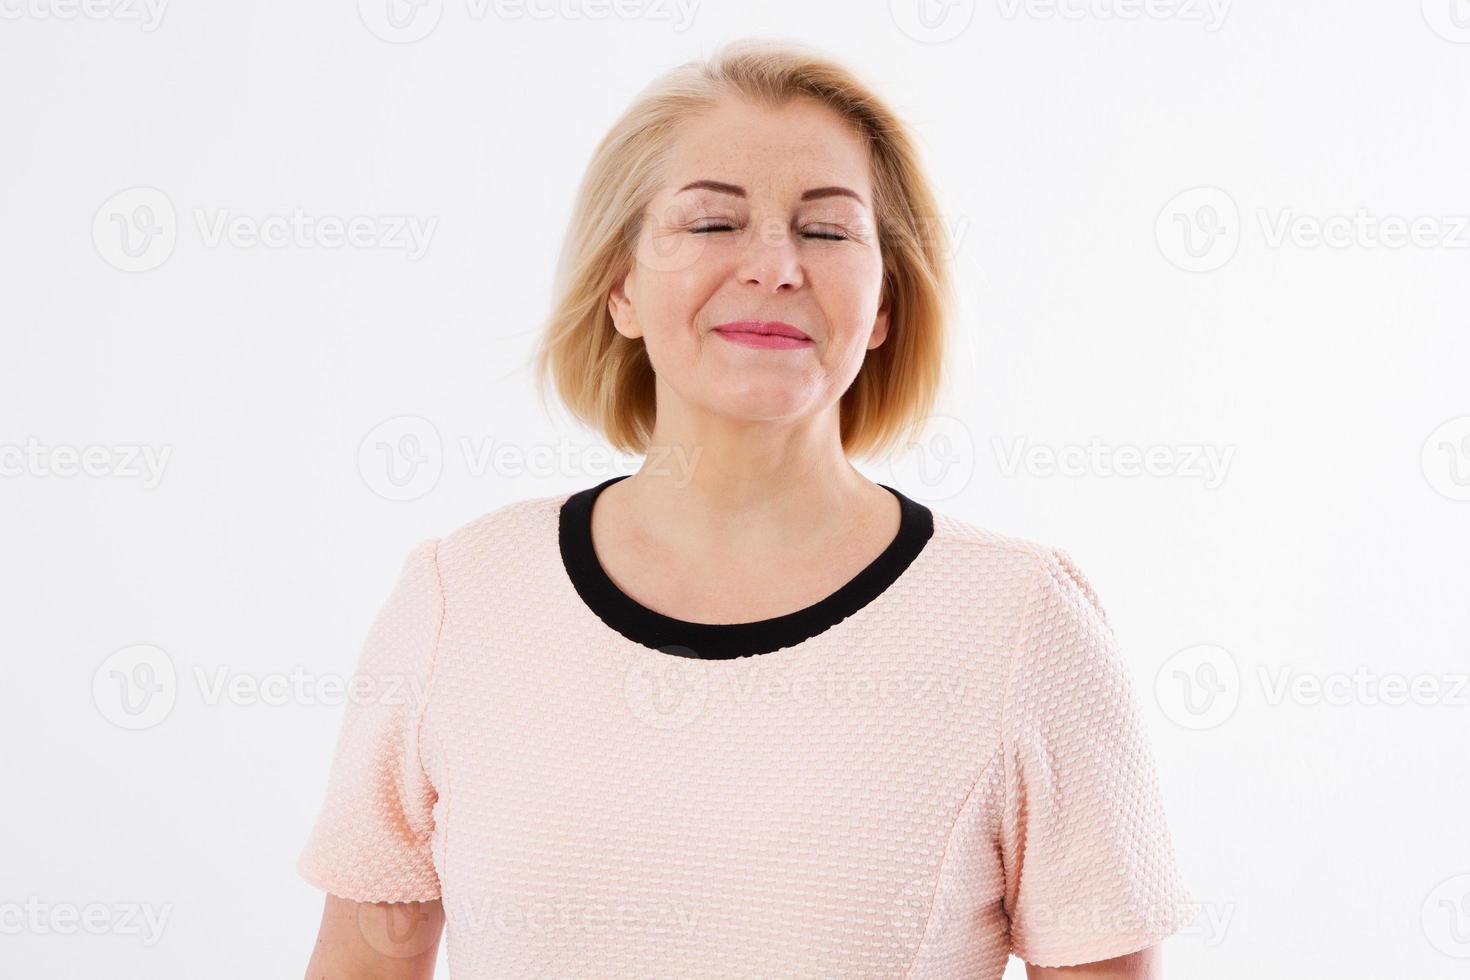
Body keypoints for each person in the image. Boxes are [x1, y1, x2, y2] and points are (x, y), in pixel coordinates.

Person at [297, 37, 1196, 979]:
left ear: (884, 302)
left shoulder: (1022, 619)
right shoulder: (461, 596)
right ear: (621, 288)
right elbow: (364, 956)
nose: (774, 266)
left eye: (828, 230)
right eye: (713, 224)